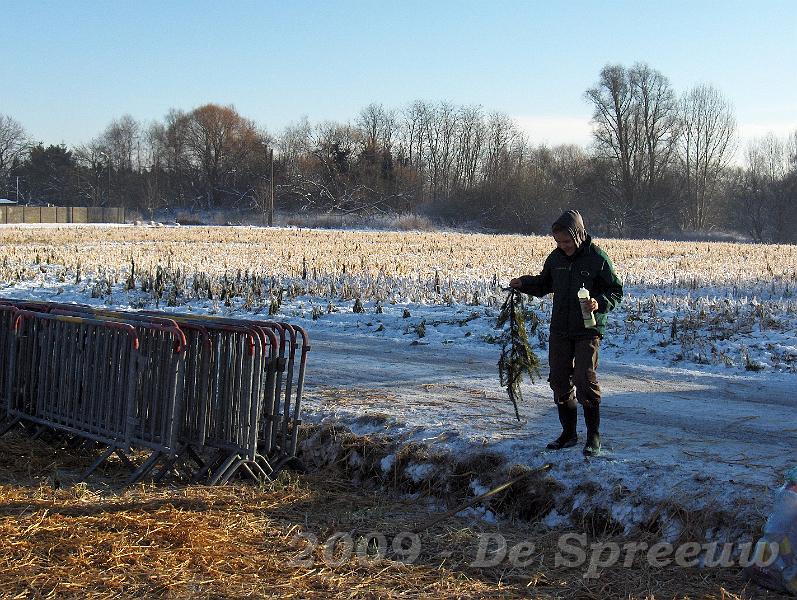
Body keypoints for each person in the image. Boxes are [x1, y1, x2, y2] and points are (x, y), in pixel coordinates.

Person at [510, 209, 622, 456]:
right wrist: (524, 283)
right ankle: (568, 434)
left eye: (567, 241)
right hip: (560, 328)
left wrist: (598, 302)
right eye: (558, 242)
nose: (563, 246)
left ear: (578, 236)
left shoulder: (597, 258)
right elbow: (544, 283)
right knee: (559, 380)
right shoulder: (556, 259)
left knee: (584, 379)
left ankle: (593, 436)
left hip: (588, 330)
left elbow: (615, 291)